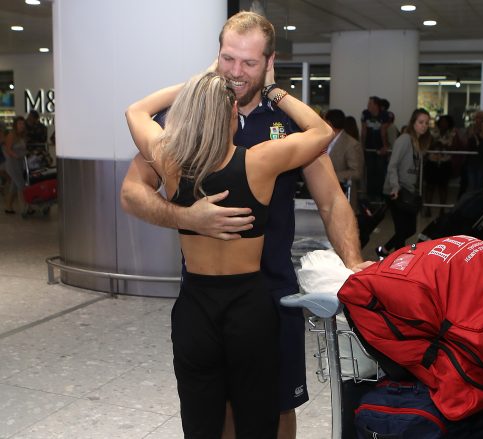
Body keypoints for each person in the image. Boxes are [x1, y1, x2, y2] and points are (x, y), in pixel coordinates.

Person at [119, 11, 369, 439]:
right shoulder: (184, 123)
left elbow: (330, 201)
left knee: (278, 407)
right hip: (205, 291)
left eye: (249, 63)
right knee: (219, 408)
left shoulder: (284, 125)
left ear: (269, 62)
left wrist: (354, 267)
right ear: (216, 56)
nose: (236, 72)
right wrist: (186, 217)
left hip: (274, 290)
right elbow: (132, 193)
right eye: (227, 59)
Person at [377, 109, 431, 256]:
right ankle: (397, 263)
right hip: (396, 191)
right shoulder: (404, 139)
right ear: (413, 122)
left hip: (408, 192)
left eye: (426, 123)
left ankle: (385, 250)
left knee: (409, 229)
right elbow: (392, 165)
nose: (424, 126)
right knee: (402, 230)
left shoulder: (417, 143)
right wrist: (395, 187)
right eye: (420, 122)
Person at [325, 109, 364, 212]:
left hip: (343, 196)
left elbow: (357, 172)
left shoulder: (351, 144)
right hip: (324, 195)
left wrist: (332, 176)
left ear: (329, 123)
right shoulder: (325, 140)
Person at [424, 114, 458, 217]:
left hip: (445, 163)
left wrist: (444, 146)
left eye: (445, 122)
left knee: (443, 188)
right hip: (432, 162)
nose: (443, 124)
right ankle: (428, 208)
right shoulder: (432, 132)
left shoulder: (452, 134)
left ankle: (442, 209)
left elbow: (454, 148)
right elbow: (426, 146)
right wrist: (435, 145)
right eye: (441, 122)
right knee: (430, 186)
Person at [361, 96, 390, 200]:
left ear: (376, 105)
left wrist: (385, 146)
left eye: (370, 104)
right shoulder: (365, 114)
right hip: (369, 148)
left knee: (380, 171)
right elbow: (363, 130)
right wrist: (362, 146)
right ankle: (370, 195)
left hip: (380, 147)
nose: (368, 106)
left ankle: (380, 195)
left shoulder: (385, 115)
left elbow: (384, 132)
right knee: (370, 171)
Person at [3, 117, 28, 215]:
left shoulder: (22, 136)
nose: (22, 125)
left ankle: (8, 206)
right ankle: (26, 207)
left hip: (20, 163)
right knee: (21, 184)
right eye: (20, 123)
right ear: (15, 125)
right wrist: (15, 155)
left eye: (23, 123)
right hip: (12, 163)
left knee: (14, 186)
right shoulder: (11, 135)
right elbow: (7, 149)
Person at [465, 119, 483, 192]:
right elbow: (470, 145)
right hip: (472, 164)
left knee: (479, 187)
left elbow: (482, 150)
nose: (482, 128)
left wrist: (477, 140)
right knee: (471, 187)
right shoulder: (476, 137)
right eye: (482, 126)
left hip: (482, 165)